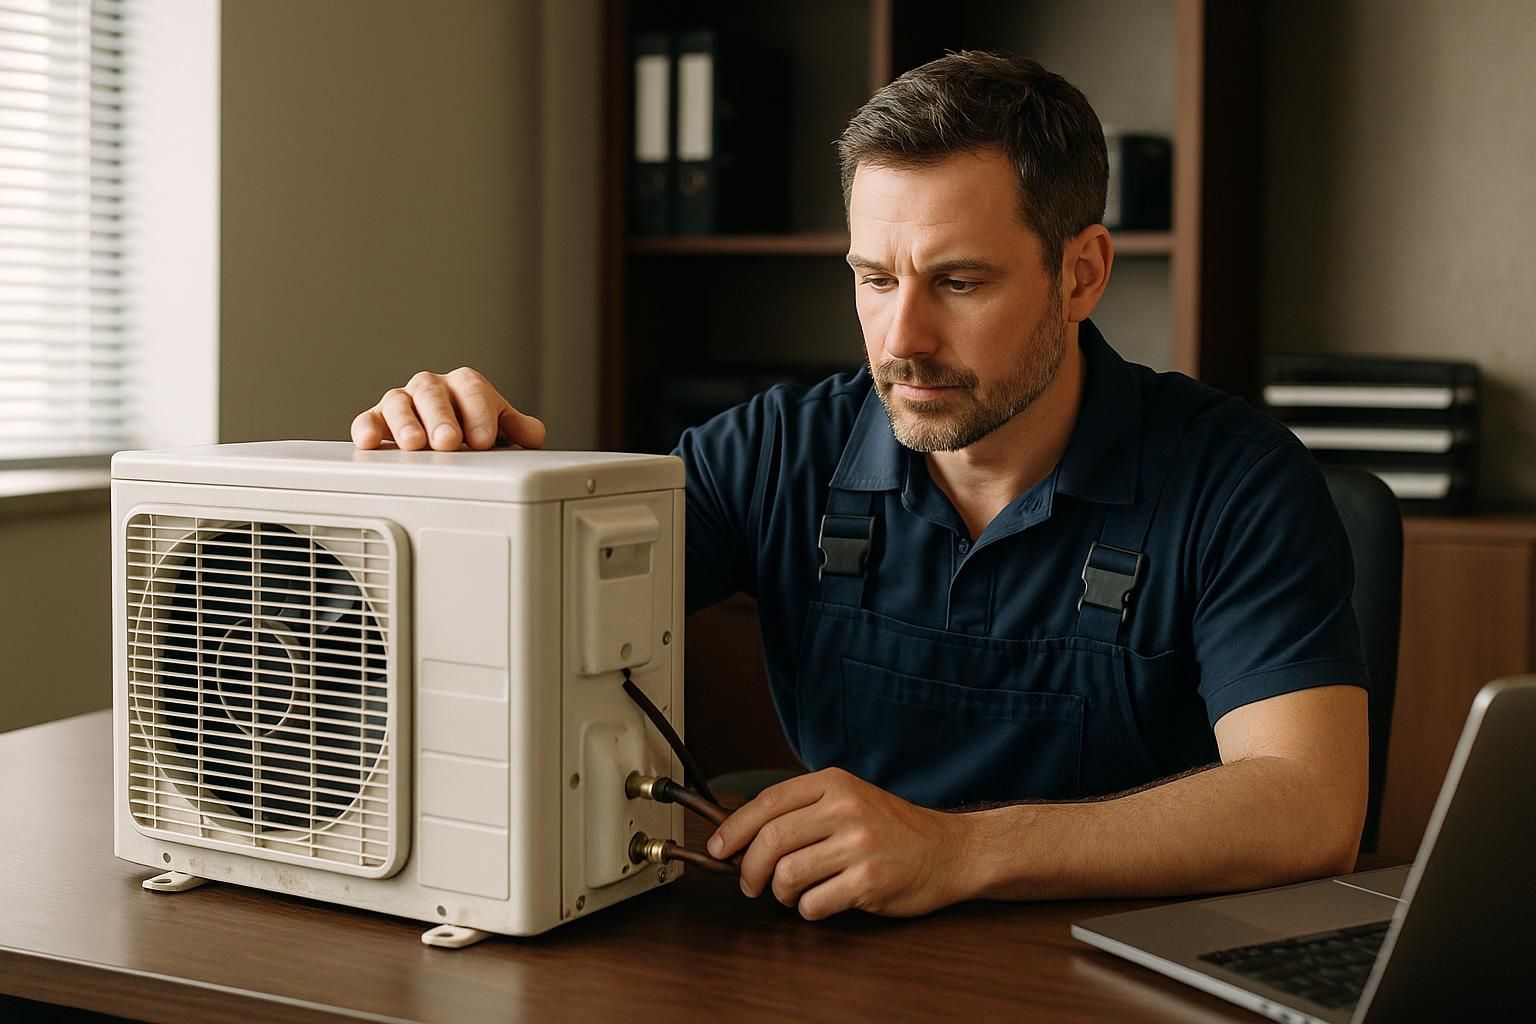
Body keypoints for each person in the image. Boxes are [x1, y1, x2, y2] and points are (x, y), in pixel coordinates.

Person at [352, 52, 1369, 923]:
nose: (903, 341)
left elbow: (1309, 806)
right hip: (841, 966)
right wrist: (472, 492)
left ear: (1082, 274)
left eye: (959, 282)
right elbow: (519, 627)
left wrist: (957, 849)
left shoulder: (1238, 481)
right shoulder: (774, 452)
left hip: (1126, 978)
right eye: (875, 279)